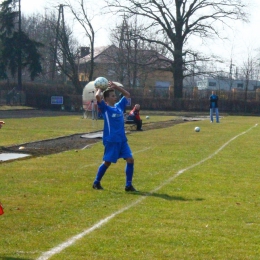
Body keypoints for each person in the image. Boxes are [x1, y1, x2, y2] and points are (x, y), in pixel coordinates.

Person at [92, 81, 137, 192]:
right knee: (107, 162)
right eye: (112, 96)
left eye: (114, 95)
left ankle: (128, 185)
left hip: (122, 140)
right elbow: (97, 96)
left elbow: (127, 95)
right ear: (106, 99)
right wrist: (100, 88)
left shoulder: (119, 106)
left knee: (130, 159)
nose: (115, 97)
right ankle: (96, 182)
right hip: (112, 140)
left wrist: (117, 87)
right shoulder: (105, 108)